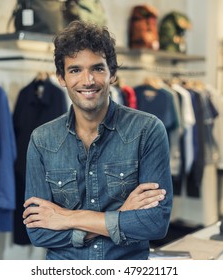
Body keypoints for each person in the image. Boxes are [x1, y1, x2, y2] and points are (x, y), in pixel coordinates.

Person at [23, 20, 173, 260]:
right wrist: (121, 216)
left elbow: (155, 223)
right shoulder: (42, 140)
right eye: (75, 70)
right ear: (61, 77)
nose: (87, 80)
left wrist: (66, 218)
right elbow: (38, 232)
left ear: (112, 73)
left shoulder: (147, 130)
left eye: (97, 68)